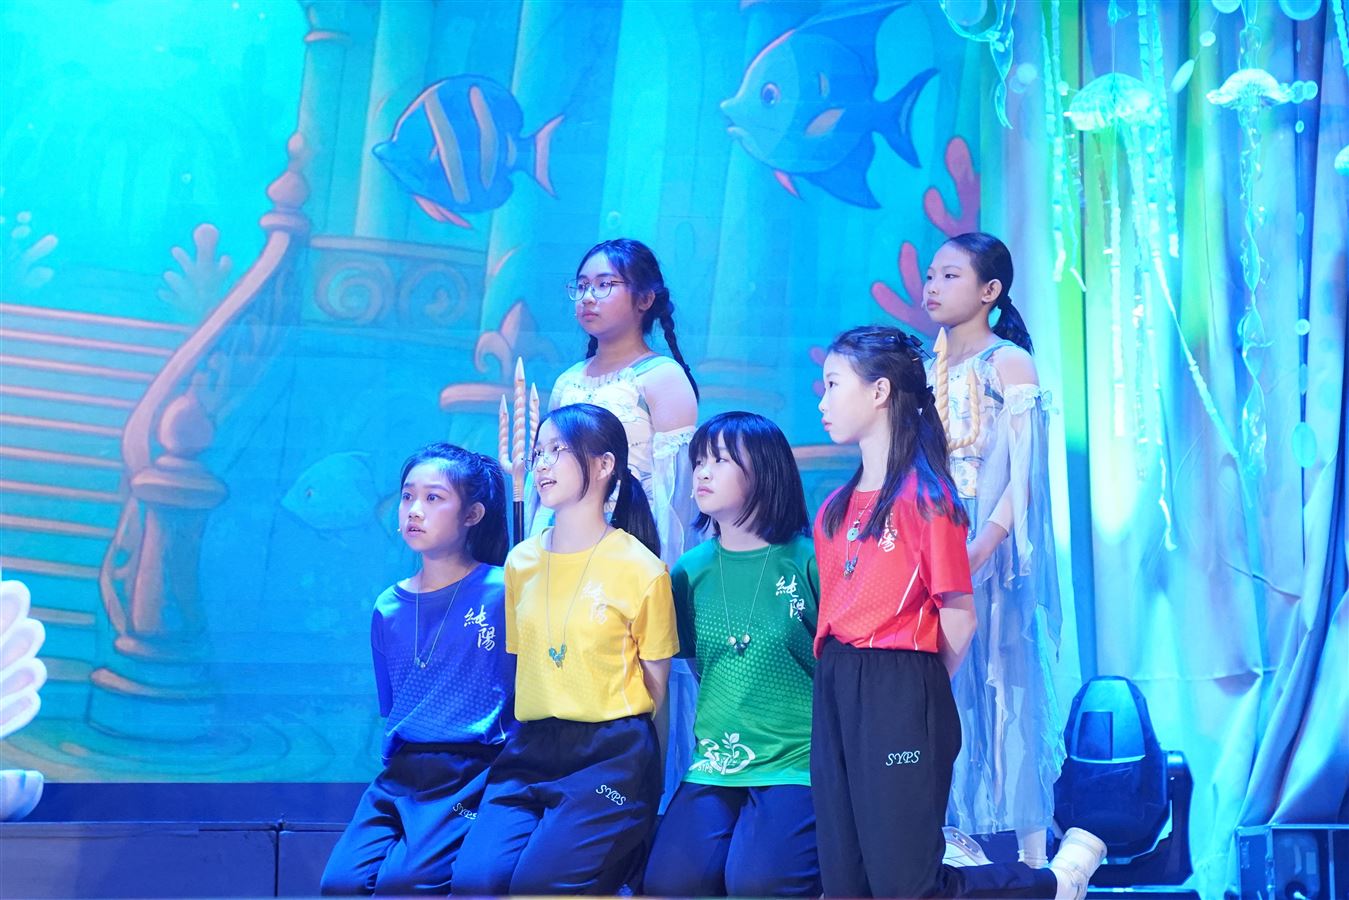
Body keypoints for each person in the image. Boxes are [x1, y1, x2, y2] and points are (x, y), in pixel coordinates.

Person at [811, 325, 1105, 900]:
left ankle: (1053, 882)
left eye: (834, 384)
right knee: (847, 882)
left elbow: (960, 618)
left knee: (908, 887)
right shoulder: (834, 509)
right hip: (837, 684)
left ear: (879, 391)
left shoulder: (927, 501)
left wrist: (910, 693)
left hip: (900, 684)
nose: (822, 402)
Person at [452, 403, 678, 895]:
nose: (542, 464)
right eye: (539, 452)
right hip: (530, 748)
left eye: (558, 450)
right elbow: (524, 665)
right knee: (474, 881)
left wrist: (648, 788)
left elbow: (656, 693)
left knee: (539, 885)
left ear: (604, 464)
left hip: (611, 754)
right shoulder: (521, 562)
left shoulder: (642, 569)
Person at [924, 232, 1065, 868]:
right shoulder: (927, 364)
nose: (933, 285)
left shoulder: (1009, 363)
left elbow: (1025, 476)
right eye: (931, 274)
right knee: (943, 692)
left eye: (950, 275)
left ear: (990, 291)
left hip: (991, 546)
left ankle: (1029, 862)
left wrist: (983, 544)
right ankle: (954, 844)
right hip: (935, 535)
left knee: (1003, 688)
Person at [546, 237, 702, 807]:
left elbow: (680, 498)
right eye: (581, 286)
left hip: (635, 552)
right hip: (569, 554)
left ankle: (640, 811)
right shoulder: (567, 382)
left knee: (638, 688)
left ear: (645, 298)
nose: (588, 297)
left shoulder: (661, 378)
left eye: (604, 285)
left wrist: (659, 574)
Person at [321, 444, 516, 895]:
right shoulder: (387, 606)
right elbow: (392, 704)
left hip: (472, 772)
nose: (414, 509)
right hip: (402, 772)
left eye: (433, 498)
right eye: (408, 496)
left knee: (405, 882)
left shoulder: (502, 591)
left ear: (473, 515)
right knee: (340, 884)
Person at [644, 412, 821, 897]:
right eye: (699, 460)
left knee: (758, 883)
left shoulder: (808, 560)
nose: (702, 472)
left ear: (764, 469)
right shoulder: (689, 571)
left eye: (720, 461)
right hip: (716, 762)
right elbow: (701, 665)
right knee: (667, 884)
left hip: (797, 761)